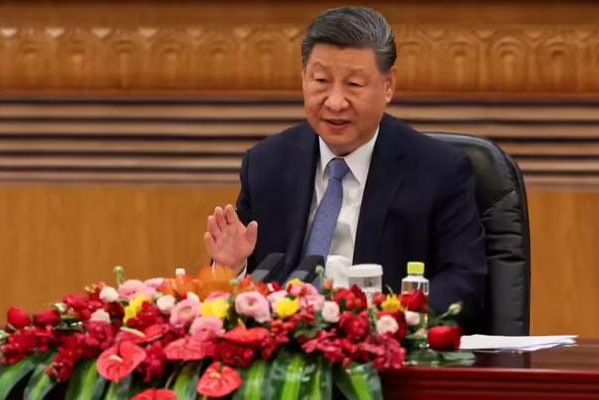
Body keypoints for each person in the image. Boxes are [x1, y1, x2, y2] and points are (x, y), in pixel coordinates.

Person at [204, 6, 487, 330]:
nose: (335, 102)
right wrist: (234, 267)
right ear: (304, 78)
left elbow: (464, 284)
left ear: (388, 85)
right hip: (286, 350)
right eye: (321, 81)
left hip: (384, 349)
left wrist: (389, 320)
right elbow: (247, 286)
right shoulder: (267, 164)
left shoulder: (439, 171)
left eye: (354, 84)